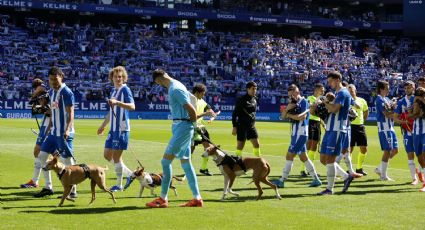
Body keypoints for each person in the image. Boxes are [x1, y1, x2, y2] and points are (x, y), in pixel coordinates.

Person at [146, 69, 203, 208]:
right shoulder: (177, 85)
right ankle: (197, 198)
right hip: (181, 126)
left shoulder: (175, 89)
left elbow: (191, 109)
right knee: (186, 164)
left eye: (158, 82)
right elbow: (193, 100)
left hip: (182, 127)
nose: (159, 85)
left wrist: (193, 126)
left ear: (159, 79)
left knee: (165, 162)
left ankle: (163, 198)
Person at [33, 66, 77, 198]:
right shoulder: (52, 92)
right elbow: (53, 112)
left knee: (68, 161)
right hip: (53, 133)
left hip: (63, 133)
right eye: (51, 79)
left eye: (55, 79)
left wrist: (68, 129)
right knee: (41, 157)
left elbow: (71, 113)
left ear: (61, 77)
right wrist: (48, 128)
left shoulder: (67, 92)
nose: (53, 81)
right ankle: (48, 187)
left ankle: (73, 191)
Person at [271, 84, 322, 188]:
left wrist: (288, 114)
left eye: (292, 95)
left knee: (289, 155)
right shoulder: (292, 103)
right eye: (290, 96)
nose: (291, 97)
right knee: (304, 157)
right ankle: (316, 179)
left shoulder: (303, 101)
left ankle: (282, 180)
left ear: (297, 92)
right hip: (296, 133)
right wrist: (288, 108)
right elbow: (282, 116)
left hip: (301, 133)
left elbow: (301, 117)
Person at [98, 66, 136, 192]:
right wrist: (103, 126)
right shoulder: (114, 92)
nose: (118, 78)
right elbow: (111, 112)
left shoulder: (125, 90)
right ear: (112, 78)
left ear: (123, 78)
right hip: (113, 129)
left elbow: (132, 106)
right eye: (116, 76)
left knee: (116, 158)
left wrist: (118, 103)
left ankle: (119, 185)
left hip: (121, 128)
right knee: (107, 155)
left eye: (120, 76)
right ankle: (130, 174)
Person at [317, 71, 355, 195]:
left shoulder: (343, 93)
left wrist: (325, 102)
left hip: (338, 129)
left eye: (331, 81)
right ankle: (346, 176)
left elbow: (334, 109)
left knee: (330, 159)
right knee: (323, 159)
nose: (329, 84)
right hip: (330, 129)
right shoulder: (338, 93)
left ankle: (329, 189)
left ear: (337, 79)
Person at [20, 79, 51, 188]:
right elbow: (38, 107)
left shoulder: (42, 89)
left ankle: (40, 182)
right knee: (39, 153)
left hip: (49, 123)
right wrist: (38, 106)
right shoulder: (46, 91)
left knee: (39, 153)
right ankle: (35, 181)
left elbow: (48, 109)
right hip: (46, 122)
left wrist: (35, 100)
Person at [393, 81, 420, 185]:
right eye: (406, 88)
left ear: (414, 88)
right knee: (410, 154)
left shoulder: (418, 99)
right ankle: (414, 178)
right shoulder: (401, 102)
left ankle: (420, 172)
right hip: (407, 132)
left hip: (418, 130)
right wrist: (402, 122)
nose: (408, 89)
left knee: (420, 155)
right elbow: (395, 117)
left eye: (410, 87)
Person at [190, 83, 217, 176]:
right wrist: (206, 114)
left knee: (208, 147)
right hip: (192, 127)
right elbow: (192, 116)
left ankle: (203, 168)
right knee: (191, 149)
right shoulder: (190, 101)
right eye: (203, 93)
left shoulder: (202, 101)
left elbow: (209, 109)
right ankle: (188, 168)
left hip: (201, 127)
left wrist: (212, 113)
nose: (203, 95)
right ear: (197, 92)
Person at [374, 80, 398, 181]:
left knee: (395, 150)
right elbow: (387, 114)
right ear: (381, 89)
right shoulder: (379, 100)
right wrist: (398, 113)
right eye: (387, 88)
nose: (389, 90)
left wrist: (394, 105)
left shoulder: (386, 99)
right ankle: (383, 176)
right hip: (384, 128)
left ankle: (380, 169)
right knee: (387, 151)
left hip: (390, 127)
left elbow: (390, 111)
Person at [300, 83, 325, 177]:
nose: (323, 91)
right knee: (309, 145)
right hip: (310, 122)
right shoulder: (310, 98)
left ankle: (310, 169)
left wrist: (323, 123)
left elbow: (320, 114)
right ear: (316, 89)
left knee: (314, 146)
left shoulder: (322, 100)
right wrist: (318, 102)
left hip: (317, 123)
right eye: (322, 89)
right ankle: (302, 169)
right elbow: (311, 111)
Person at [232, 81, 261, 157]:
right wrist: (234, 126)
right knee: (240, 146)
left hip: (251, 126)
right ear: (248, 89)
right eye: (253, 89)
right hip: (242, 126)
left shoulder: (255, 99)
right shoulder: (241, 100)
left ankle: (257, 160)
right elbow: (234, 114)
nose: (254, 91)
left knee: (257, 144)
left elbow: (253, 113)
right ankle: (237, 160)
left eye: (255, 89)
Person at [347, 84, 369, 176]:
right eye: (349, 91)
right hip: (350, 127)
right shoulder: (346, 101)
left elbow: (366, 111)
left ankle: (359, 168)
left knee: (364, 149)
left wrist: (362, 120)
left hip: (360, 127)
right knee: (350, 149)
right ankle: (350, 169)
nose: (351, 92)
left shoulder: (361, 100)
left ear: (355, 91)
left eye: (352, 91)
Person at [410, 86, 425, 191]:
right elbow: (411, 115)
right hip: (416, 133)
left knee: (424, 156)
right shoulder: (414, 103)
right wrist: (413, 113)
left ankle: (424, 184)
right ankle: (420, 171)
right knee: (419, 157)